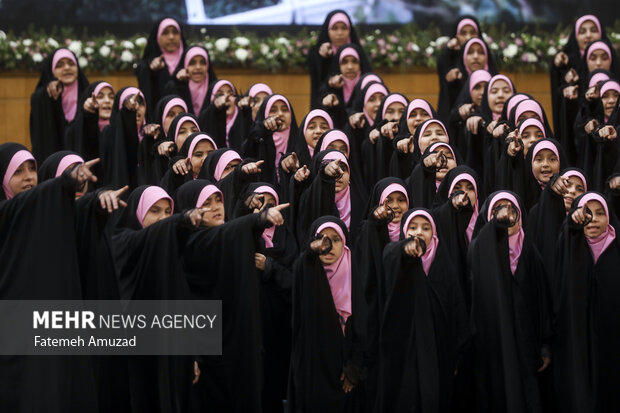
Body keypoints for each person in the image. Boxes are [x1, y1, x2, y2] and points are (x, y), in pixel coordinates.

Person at [0, 142, 100, 412]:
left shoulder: (48, 217)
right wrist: (64, 183)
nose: (29, 177)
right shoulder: (6, 214)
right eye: (18, 171)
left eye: (32, 168)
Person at [377, 208, 468, 412]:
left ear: (434, 233)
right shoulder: (395, 259)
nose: (418, 232)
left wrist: (455, 357)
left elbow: (456, 314)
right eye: (412, 227)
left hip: (438, 356)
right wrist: (404, 251)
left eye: (426, 228)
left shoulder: (444, 266)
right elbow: (390, 256)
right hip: (403, 357)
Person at [468, 191, 550, 413]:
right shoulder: (479, 252)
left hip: (526, 346)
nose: (506, 215)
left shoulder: (531, 254)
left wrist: (544, 346)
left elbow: (542, 302)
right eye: (497, 210)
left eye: (511, 209)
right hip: (493, 349)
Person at [288, 216, 364, 412]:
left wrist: (355, 368)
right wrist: (311, 254)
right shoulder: (305, 270)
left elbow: (364, 326)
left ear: (345, 244)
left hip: (344, 373)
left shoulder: (354, 275)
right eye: (321, 238)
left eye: (335, 239)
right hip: (311, 371)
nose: (327, 245)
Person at [552, 192, 620, 413]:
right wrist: (573, 223)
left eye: (600, 213)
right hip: (578, 340)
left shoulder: (616, 249)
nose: (594, 219)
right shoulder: (571, 247)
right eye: (587, 213)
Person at [30, 48, 89, 162]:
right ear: (52, 71)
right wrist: (48, 96)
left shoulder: (89, 94)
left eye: (71, 64)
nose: (67, 68)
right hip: (52, 163)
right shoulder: (42, 97)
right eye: (60, 65)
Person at [307, 10, 362, 108]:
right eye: (335, 28)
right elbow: (317, 83)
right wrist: (322, 59)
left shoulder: (357, 52)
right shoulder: (317, 53)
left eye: (344, 28)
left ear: (349, 30)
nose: (340, 33)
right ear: (328, 30)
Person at [136, 18, 187, 119]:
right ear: (157, 36)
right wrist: (151, 72)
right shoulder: (148, 65)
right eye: (165, 33)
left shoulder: (190, 62)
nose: (171, 37)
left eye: (175, 32)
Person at [163, 45, 217, 117]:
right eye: (192, 63)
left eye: (202, 62)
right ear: (185, 65)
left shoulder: (216, 88)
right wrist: (181, 84)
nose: (198, 67)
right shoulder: (174, 87)